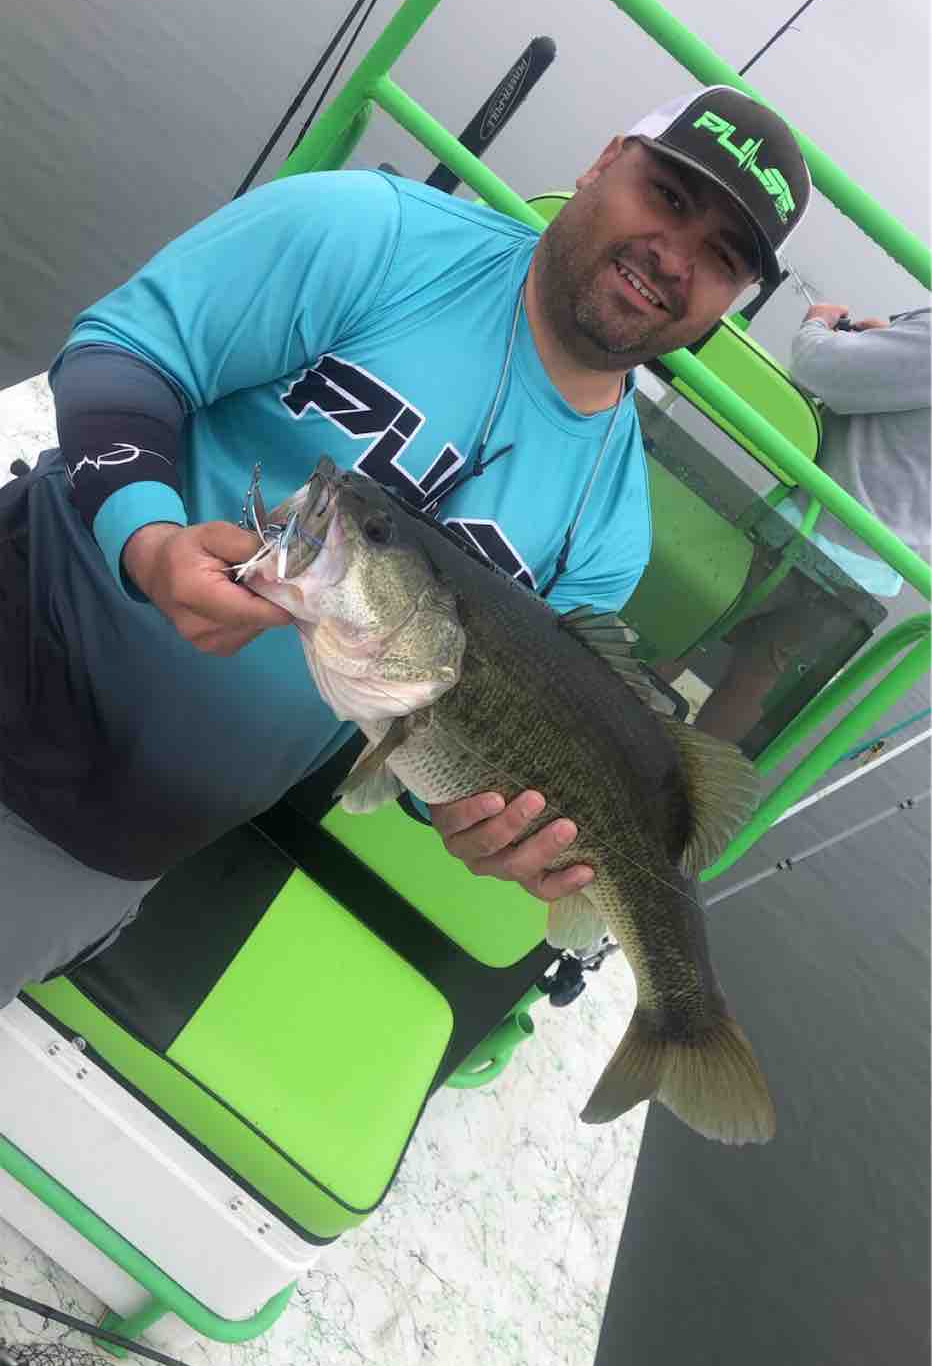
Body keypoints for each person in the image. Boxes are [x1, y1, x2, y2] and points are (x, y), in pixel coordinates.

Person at [0, 84, 812, 1005]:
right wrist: (147, 541)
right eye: (666, 196)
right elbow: (128, 350)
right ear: (602, 162)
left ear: (733, 301)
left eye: (722, 257)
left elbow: (456, 744)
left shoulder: (610, 529)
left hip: (109, 839)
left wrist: (476, 821)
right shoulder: (375, 234)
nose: (674, 256)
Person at [683, 301, 931, 745]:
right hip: (868, 575)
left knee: (690, 617)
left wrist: (817, 322)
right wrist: (889, 342)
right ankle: (688, 777)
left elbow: (818, 369)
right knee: (758, 675)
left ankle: (592, 726)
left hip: (800, 533)